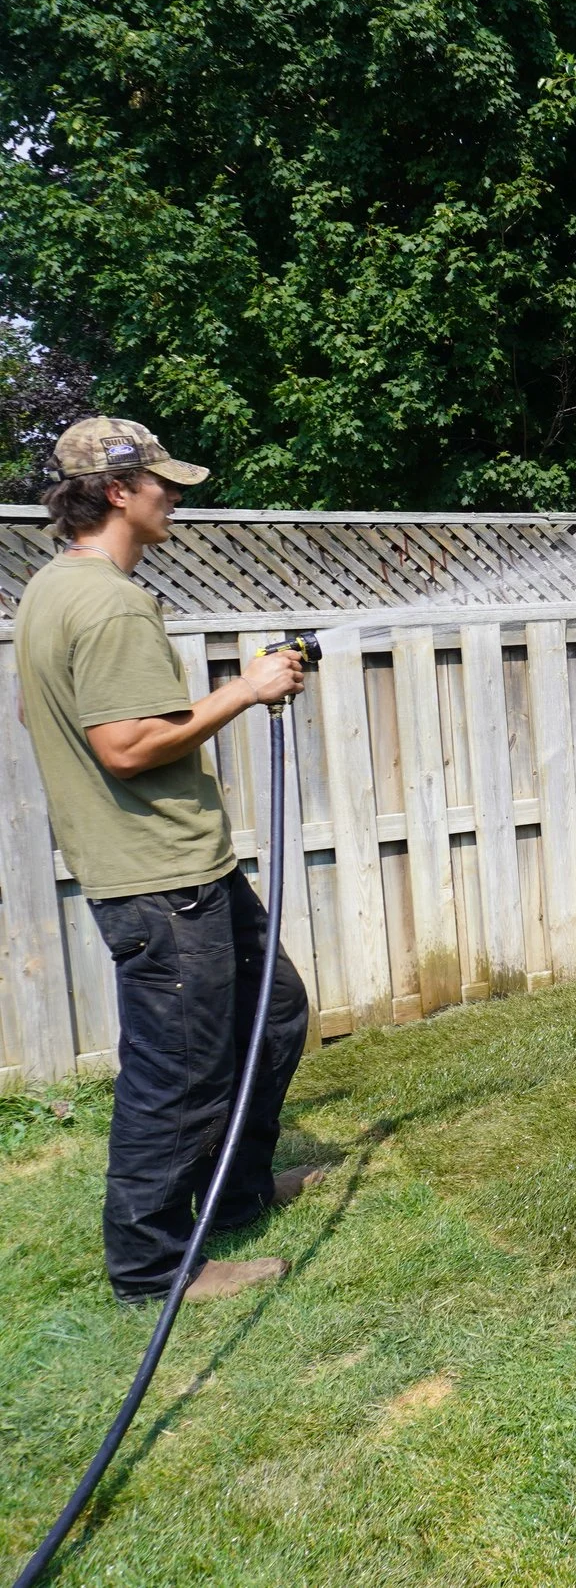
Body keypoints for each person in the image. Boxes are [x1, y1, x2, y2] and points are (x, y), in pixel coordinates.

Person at [17, 417, 321, 1304]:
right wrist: (247, 688)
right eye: (163, 483)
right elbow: (123, 745)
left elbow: (54, 718)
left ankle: (234, 1193)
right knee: (179, 1072)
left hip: (183, 866)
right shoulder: (108, 599)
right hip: (161, 879)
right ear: (119, 492)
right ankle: (151, 1266)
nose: (173, 497)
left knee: (274, 1015)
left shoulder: (50, 590)